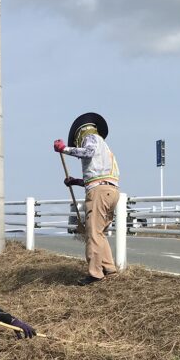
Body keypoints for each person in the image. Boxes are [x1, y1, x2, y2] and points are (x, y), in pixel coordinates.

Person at [54, 112, 121, 285]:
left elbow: (87, 152)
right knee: (99, 232)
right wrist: (76, 181)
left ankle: (95, 273)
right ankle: (109, 268)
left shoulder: (90, 138)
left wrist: (64, 149)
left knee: (92, 232)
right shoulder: (104, 146)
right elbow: (97, 176)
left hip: (99, 192)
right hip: (110, 191)